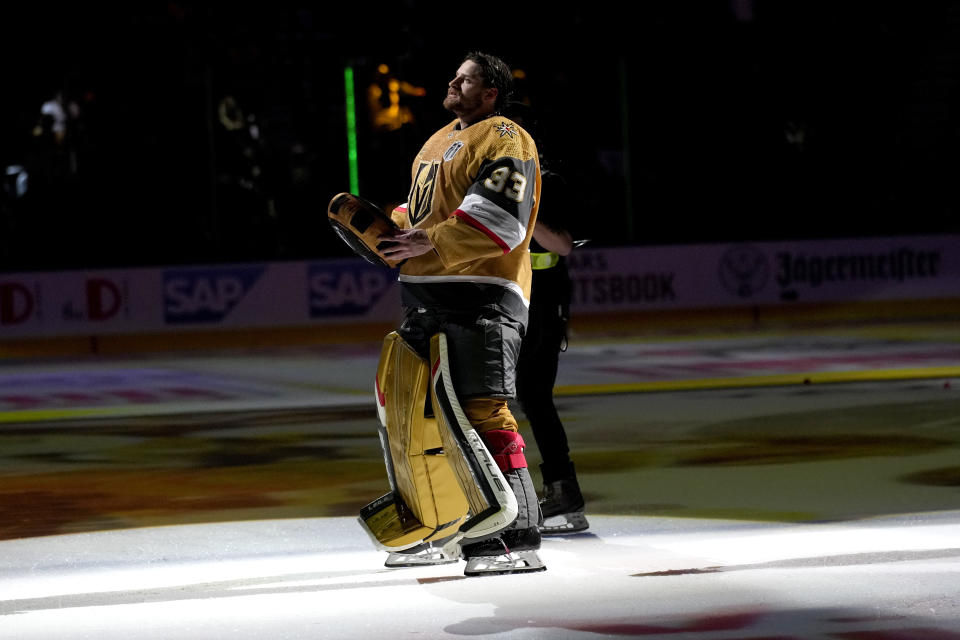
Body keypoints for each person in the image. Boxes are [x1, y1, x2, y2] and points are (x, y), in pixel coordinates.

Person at [376, 52, 544, 575]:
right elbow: (422, 211)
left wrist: (423, 239)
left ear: (491, 91)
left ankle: (511, 539)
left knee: (481, 414)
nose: (451, 81)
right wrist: (389, 226)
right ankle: (445, 525)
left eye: (465, 77)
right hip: (425, 297)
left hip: (483, 296)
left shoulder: (506, 137)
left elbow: (500, 220)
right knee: (423, 422)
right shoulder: (436, 140)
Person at [503, 102, 589, 535]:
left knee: (533, 397)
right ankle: (556, 489)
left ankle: (560, 489)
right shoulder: (499, 185)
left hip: (544, 307)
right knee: (521, 398)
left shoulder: (547, 185)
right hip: (509, 304)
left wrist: (527, 212)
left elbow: (565, 244)